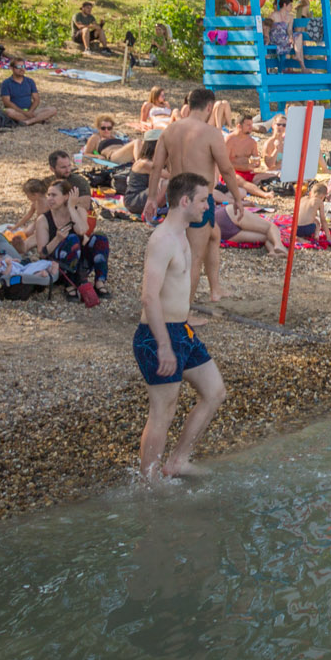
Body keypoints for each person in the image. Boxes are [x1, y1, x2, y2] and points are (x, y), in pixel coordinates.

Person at [136, 172, 228, 478]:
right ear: (185, 201)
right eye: (203, 200)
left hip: (183, 332)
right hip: (157, 335)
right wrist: (163, 344)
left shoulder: (184, 235)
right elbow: (149, 297)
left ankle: (177, 461)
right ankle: (149, 483)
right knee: (163, 411)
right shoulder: (162, 241)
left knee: (215, 392)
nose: (208, 206)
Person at [145, 90, 253, 306]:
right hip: (198, 198)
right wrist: (238, 199)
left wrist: (150, 198)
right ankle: (184, 311)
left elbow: (156, 166)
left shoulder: (169, 130)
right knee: (193, 256)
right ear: (209, 107)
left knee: (214, 234)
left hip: (175, 194)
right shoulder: (210, 133)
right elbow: (227, 169)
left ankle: (215, 290)